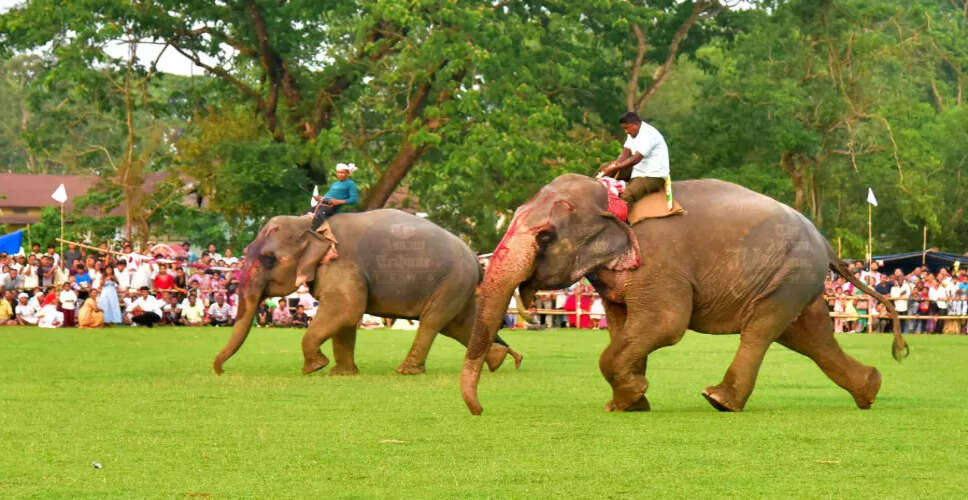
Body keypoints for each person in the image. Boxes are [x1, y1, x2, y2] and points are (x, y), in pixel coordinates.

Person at [599, 111, 670, 204]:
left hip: (652, 175)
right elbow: (626, 153)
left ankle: (619, 217)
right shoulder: (633, 133)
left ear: (635, 124)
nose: (626, 131)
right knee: (605, 167)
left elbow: (636, 159)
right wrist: (613, 166)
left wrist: (615, 168)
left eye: (626, 128)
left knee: (626, 196)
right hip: (637, 170)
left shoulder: (649, 135)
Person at [311, 162, 359, 229]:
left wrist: (338, 201)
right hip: (323, 202)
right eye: (338, 172)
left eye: (342, 173)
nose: (340, 174)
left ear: (348, 174)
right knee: (308, 213)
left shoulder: (351, 184)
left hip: (331, 206)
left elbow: (354, 200)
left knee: (318, 216)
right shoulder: (335, 184)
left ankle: (316, 234)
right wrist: (320, 198)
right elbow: (329, 195)